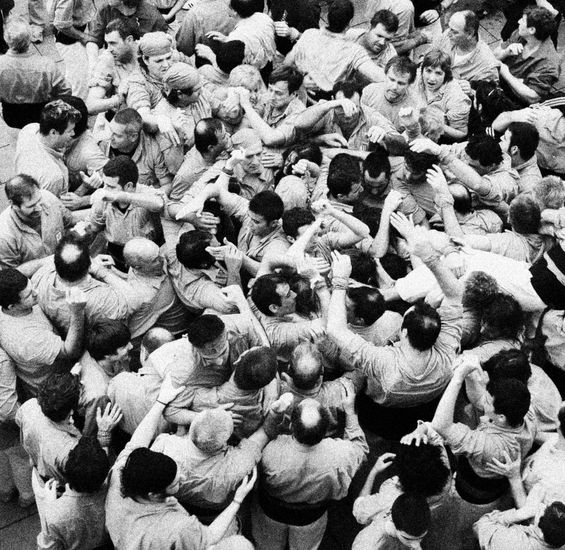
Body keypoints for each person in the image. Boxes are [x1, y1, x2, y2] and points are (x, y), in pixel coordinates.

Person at [327, 229, 462, 438]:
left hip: (382, 414)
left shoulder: (384, 361)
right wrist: (430, 257)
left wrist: (339, 280)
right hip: (426, 406)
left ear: (404, 332)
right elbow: (455, 295)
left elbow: (335, 330)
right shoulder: (447, 348)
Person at [105, 374, 258, 549]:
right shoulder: (178, 528)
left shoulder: (120, 474)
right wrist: (237, 501)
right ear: (154, 494)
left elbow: (136, 443)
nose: (183, 477)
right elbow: (209, 537)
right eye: (176, 481)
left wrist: (161, 402)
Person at [252, 389, 369, 550]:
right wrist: (350, 412)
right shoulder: (341, 455)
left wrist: (274, 414)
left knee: (266, 547)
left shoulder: (270, 451)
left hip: (270, 513)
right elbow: (360, 449)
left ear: (292, 426)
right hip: (310, 518)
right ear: (325, 430)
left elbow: (254, 450)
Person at [0, 268, 85, 399]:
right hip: (55, 391)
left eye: (32, 285)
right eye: (29, 295)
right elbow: (70, 352)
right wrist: (77, 313)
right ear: (12, 306)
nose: (36, 292)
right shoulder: (26, 339)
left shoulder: (8, 302)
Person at [285, 0, 386, 101]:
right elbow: (378, 76)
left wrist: (301, 81)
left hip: (303, 97)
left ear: (328, 17)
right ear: (350, 22)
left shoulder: (309, 34)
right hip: (331, 101)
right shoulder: (354, 51)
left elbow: (287, 63)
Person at [31, 235, 132, 336]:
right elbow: (134, 298)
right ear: (89, 266)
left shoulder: (41, 276)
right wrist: (101, 271)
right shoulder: (104, 300)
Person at [85, 156, 165, 270]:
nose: (105, 190)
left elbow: (159, 203)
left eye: (111, 187)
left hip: (147, 259)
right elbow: (94, 227)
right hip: (115, 255)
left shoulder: (145, 193)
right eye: (105, 184)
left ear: (129, 186)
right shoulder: (103, 198)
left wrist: (120, 196)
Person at [32, 436, 111, 550]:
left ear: (68, 469)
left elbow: (46, 548)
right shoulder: (112, 492)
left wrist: (49, 506)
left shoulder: (56, 514)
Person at [0, 18, 71, 129]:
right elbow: (65, 91)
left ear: (6, 39)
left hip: (12, 116)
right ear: (29, 39)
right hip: (41, 114)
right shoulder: (46, 64)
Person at [0, 174, 75, 276]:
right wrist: (46, 262)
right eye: (31, 206)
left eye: (39, 200)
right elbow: (11, 276)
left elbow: (70, 221)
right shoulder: (4, 235)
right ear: (13, 205)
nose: (39, 208)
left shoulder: (48, 197)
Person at [15, 100, 81, 198]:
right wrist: (84, 188)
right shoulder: (54, 177)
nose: (73, 134)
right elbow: (55, 209)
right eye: (69, 130)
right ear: (53, 133)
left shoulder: (29, 129)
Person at [98, 108, 174, 194]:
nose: (110, 137)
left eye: (117, 135)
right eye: (111, 130)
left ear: (133, 137)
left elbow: (166, 185)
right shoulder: (102, 143)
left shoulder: (153, 150)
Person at [494, 7, 560, 105]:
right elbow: (493, 56)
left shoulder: (549, 63)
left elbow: (532, 97)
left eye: (523, 20)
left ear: (532, 30)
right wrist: (506, 52)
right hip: (500, 84)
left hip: (515, 102)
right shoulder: (521, 34)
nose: (519, 21)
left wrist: (506, 73)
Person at [236, 65, 306, 149]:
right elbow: (242, 128)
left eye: (278, 93)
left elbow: (270, 138)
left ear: (293, 94)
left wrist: (247, 106)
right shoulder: (268, 98)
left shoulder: (299, 114)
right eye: (270, 89)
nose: (272, 96)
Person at [86, 0, 167, 68]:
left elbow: (162, 49)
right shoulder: (105, 9)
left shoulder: (152, 16)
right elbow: (93, 39)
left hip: (141, 66)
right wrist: (93, 65)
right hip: (113, 61)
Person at [86, 18, 140, 116]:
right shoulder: (107, 60)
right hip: (124, 116)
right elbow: (91, 105)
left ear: (129, 40)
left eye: (113, 43)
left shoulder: (146, 50)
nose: (109, 49)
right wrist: (118, 98)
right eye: (107, 44)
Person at [415, 50, 471, 141]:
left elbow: (462, 133)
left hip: (440, 139)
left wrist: (438, 126)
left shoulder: (456, 97)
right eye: (428, 71)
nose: (431, 78)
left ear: (446, 75)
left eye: (438, 73)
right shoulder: (417, 76)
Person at [436, 10, 500, 87]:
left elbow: (489, 95)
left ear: (470, 34)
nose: (448, 33)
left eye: (455, 32)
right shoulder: (448, 35)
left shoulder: (487, 66)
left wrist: (471, 91)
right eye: (449, 28)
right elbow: (429, 55)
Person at [211, 0, 276, 73]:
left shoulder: (237, 36)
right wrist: (227, 39)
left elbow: (227, 68)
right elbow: (254, 40)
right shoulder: (264, 18)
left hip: (253, 72)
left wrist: (209, 55)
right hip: (268, 64)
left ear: (235, 12)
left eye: (229, 7)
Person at [474, 499, 565, 550]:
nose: (541, 505)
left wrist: (518, 514)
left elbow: (479, 526)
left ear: (541, 534)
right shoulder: (557, 538)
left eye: (544, 511)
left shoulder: (512, 542)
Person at [352, 493, 432, 549]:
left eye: (421, 537)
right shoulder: (366, 545)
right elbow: (359, 507)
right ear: (392, 521)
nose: (416, 546)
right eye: (408, 539)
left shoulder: (397, 493)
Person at [361, 56, 420, 131]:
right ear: (385, 75)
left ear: (409, 84)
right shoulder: (369, 92)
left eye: (401, 83)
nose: (394, 87)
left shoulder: (415, 104)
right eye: (391, 80)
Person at [51, 0, 93, 100]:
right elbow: (62, 24)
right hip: (68, 38)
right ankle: (77, 107)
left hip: (80, 31)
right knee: (79, 79)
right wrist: (83, 37)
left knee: (79, 73)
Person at [346, 10, 398, 74]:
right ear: (369, 27)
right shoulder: (348, 36)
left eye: (387, 39)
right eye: (379, 36)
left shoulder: (390, 56)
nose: (382, 42)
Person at [499, 121, 542, 193]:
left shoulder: (529, 186)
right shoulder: (510, 157)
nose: (501, 138)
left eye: (505, 138)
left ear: (514, 149)